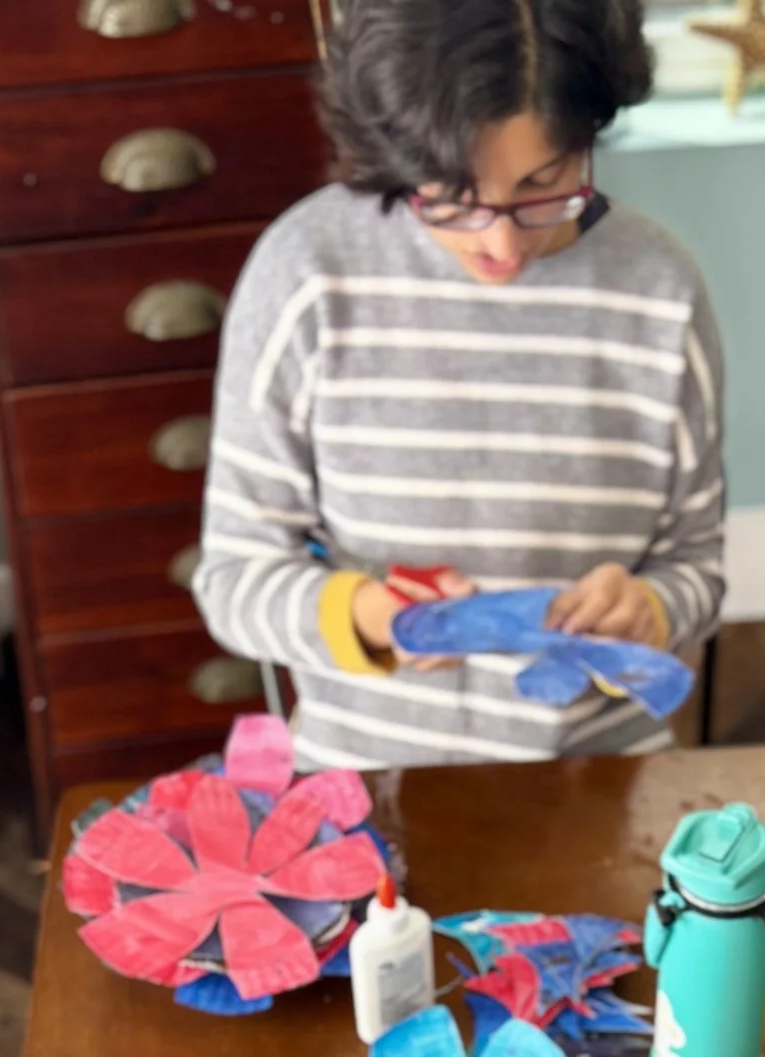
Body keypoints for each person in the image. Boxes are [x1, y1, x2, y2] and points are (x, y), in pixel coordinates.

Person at [193, 0, 723, 772]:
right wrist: (368, 616)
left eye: (545, 182)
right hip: (361, 782)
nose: (500, 243)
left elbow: (696, 565)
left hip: (599, 779)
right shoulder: (308, 273)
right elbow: (235, 578)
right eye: (451, 194)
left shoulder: (660, 289)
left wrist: (650, 609)